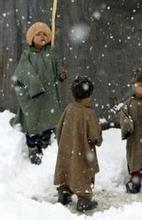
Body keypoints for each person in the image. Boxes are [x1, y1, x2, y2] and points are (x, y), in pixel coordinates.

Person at [10, 22, 67, 164]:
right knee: (33, 121)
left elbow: (57, 65)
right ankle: (33, 146)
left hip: (48, 95)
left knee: (48, 119)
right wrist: (34, 85)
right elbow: (23, 71)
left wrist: (61, 73)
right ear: (31, 38)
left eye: (45, 34)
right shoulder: (27, 54)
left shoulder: (50, 53)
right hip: (33, 96)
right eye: (38, 34)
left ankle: (45, 141)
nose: (42, 36)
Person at [54, 76, 102, 212]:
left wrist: (63, 143)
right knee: (82, 173)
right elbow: (95, 136)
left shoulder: (69, 109)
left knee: (66, 170)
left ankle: (64, 192)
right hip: (83, 152)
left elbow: (59, 129)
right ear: (87, 96)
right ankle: (84, 199)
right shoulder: (89, 113)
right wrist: (97, 139)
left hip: (67, 149)